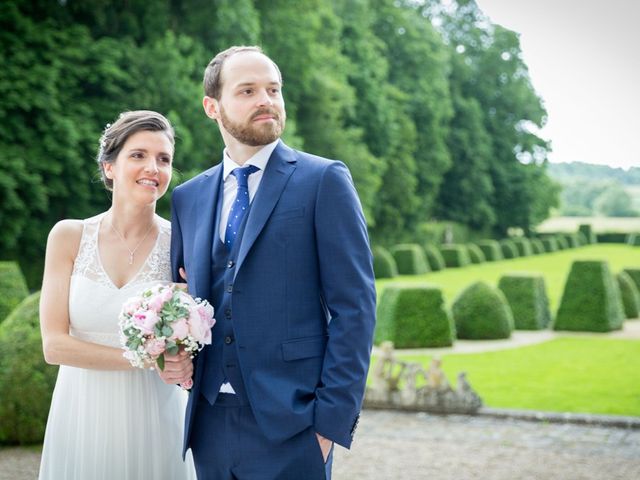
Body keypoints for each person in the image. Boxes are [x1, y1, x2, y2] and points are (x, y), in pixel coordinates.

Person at [162, 45, 376, 479]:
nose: (266, 100)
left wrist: (328, 424)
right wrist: (172, 352)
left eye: (273, 89)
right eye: (247, 90)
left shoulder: (323, 180)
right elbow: (184, 301)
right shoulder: (188, 198)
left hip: (295, 425)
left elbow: (355, 308)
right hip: (208, 424)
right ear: (212, 106)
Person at [38, 110, 196, 480]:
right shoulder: (68, 236)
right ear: (109, 167)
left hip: (157, 414)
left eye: (164, 159)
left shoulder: (183, 245)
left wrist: (184, 349)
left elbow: (196, 337)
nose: (152, 167)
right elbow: (54, 346)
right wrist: (143, 359)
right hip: (81, 411)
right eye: (138, 155)